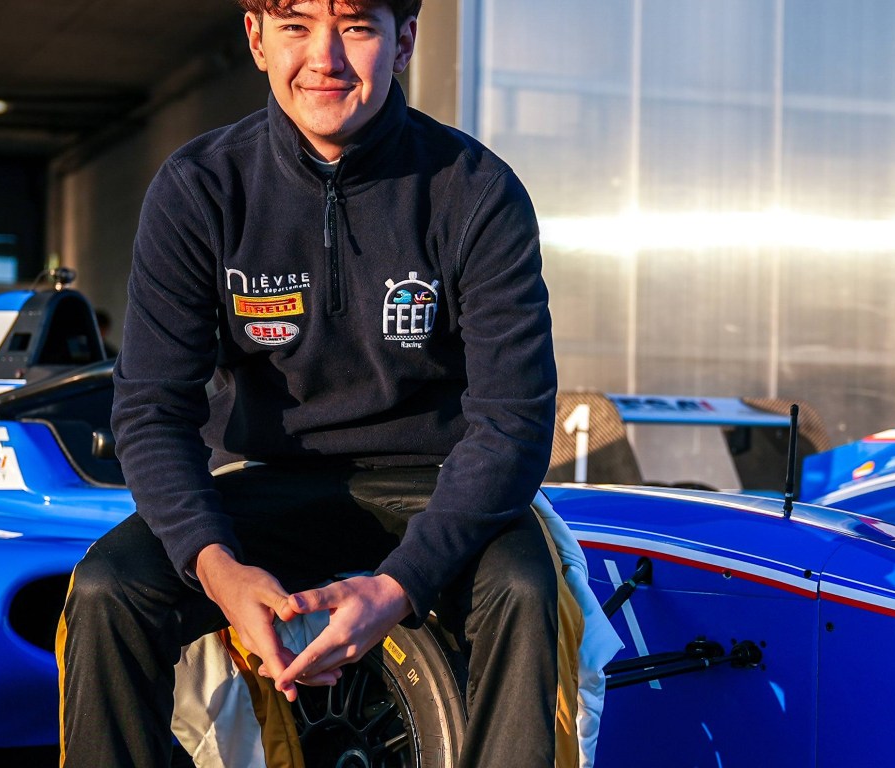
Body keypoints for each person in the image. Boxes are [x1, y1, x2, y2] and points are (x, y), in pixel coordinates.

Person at [56, 0, 561, 765]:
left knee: (522, 591)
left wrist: (396, 589)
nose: (324, 57)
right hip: (265, 486)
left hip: (434, 486)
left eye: (356, 26)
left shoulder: (476, 190)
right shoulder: (199, 189)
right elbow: (154, 410)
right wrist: (219, 571)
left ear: (404, 43)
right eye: (295, 25)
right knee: (106, 592)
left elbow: (513, 423)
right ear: (256, 38)